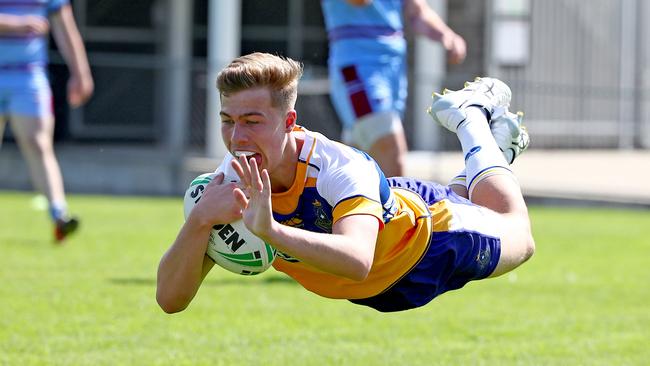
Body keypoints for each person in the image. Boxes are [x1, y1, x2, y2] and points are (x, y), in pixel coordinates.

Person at [156, 53, 534, 314]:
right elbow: (170, 300)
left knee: (515, 229)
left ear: (289, 122)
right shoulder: (226, 182)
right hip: (381, 233)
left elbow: (357, 261)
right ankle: (494, 150)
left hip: (432, 239)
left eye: (252, 121)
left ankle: (470, 120)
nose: (237, 138)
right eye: (227, 120)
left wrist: (270, 230)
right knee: (478, 194)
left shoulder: (337, 169)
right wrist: (199, 220)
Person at [321, 0, 466, 177]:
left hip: (393, 70)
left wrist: (446, 35)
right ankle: (397, 204)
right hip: (358, 68)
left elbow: (417, 11)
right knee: (390, 149)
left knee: (357, 162)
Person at [0, 0, 94, 242]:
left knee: (39, 143)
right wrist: (16, 24)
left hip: (29, 77)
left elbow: (65, 28)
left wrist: (80, 72)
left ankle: (59, 216)